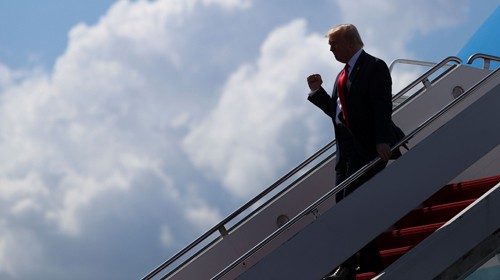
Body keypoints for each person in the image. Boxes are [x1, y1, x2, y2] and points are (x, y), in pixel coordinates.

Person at [307, 24, 402, 279]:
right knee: (345, 207)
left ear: (349, 42)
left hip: (368, 148)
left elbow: (382, 106)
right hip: (346, 155)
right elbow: (339, 114)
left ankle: (349, 265)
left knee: (353, 204)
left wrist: (383, 140)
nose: (330, 49)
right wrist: (318, 93)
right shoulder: (341, 76)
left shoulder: (374, 66)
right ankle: (367, 260)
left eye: (334, 44)